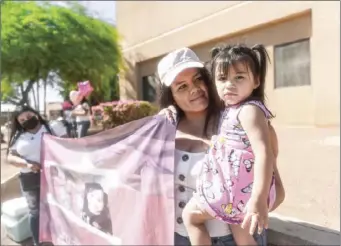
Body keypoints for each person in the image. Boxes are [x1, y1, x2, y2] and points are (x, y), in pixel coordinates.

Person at [157, 47, 268, 245]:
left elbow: (274, 181)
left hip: (235, 238)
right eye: (181, 87)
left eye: (198, 79)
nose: (194, 89)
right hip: (181, 238)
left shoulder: (239, 119)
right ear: (171, 95)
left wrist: (242, 208)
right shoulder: (164, 130)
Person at [181, 44, 285, 246]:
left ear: (256, 81)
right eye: (222, 78)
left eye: (239, 77)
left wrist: (258, 199)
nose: (229, 84)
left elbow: (264, 153)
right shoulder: (231, 109)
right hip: (237, 194)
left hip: (239, 193)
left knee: (190, 216)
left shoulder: (249, 111)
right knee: (241, 231)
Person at [6, 106, 67, 246]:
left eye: (28, 116)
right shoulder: (18, 136)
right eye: (21, 120)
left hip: (54, 175)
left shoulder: (53, 127)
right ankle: (37, 243)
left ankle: (61, 238)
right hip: (29, 178)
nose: (26, 121)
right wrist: (26, 164)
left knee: (57, 207)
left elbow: (67, 144)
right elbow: (10, 157)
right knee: (34, 212)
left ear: (35, 114)